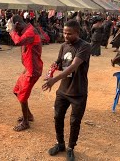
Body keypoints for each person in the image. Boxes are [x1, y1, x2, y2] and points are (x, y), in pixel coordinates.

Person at [42, 20, 91, 161]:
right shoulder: (63, 46)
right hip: (63, 90)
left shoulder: (85, 46)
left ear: (77, 33)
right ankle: (60, 144)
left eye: (69, 33)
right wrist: (54, 67)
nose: (65, 35)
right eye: (64, 32)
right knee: (58, 117)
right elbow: (60, 62)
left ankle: (70, 147)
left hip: (78, 91)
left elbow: (73, 66)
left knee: (75, 121)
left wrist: (54, 80)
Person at [6, 15, 43, 132]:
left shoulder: (30, 32)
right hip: (28, 68)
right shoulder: (27, 30)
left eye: (13, 27)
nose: (11, 29)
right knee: (17, 91)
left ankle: (26, 122)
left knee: (22, 96)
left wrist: (12, 31)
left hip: (33, 70)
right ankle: (29, 115)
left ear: (16, 25)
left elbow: (18, 41)